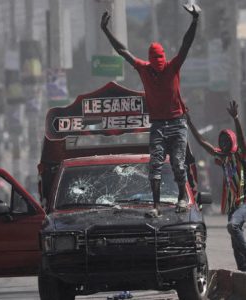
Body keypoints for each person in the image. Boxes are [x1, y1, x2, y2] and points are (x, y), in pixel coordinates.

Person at [100, 4, 201, 215]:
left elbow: (186, 44)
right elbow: (122, 50)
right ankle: (156, 206)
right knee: (154, 166)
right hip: (157, 124)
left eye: (160, 60)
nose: (158, 65)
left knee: (178, 164)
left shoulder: (173, 66)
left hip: (177, 123)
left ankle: (182, 198)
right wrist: (106, 30)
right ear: (150, 59)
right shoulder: (143, 68)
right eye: (155, 61)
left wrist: (195, 20)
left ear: (164, 58)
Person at [187, 100, 246, 271]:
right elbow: (203, 143)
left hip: (243, 202)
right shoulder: (223, 157)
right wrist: (189, 122)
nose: (223, 143)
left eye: (226, 140)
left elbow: (241, 140)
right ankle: (242, 268)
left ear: (232, 142)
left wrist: (235, 119)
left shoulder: (240, 156)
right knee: (234, 238)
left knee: (232, 226)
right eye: (221, 141)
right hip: (233, 206)